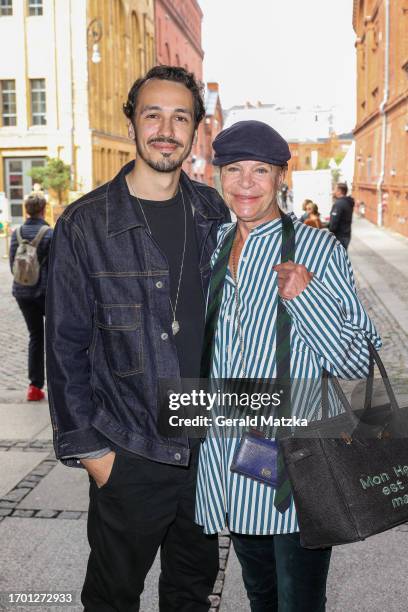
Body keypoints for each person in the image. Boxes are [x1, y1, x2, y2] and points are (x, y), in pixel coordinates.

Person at [46, 66, 230, 611]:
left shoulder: (213, 212)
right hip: (129, 448)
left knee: (191, 592)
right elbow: (65, 347)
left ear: (196, 129)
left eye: (180, 117)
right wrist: (95, 454)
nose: (166, 129)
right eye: (153, 114)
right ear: (132, 123)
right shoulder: (85, 225)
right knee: (112, 596)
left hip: (204, 448)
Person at [195, 120, 381, 612]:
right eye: (233, 169)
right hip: (231, 456)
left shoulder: (317, 248)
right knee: (258, 593)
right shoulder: (213, 247)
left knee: (298, 599)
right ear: (219, 175)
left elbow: (356, 358)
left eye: (260, 170)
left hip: (298, 462)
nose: (245, 183)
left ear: (282, 175)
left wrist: (308, 297)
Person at [9, 193, 53, 401]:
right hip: (46, 294)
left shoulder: (16, 233)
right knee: (57, 338)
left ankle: (34, 387)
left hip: (23, 293)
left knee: (35, 336)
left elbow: (12, 266)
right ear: (44, 210)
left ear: (26, 210)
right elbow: (58, 267)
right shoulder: (49, 233)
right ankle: (59, 384)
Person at [329, 182, 355, 250]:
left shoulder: (339, 204)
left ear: (339, 191)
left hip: (339, 236)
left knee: (337, 258)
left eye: (335, 189)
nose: (333, 191)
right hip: (346, 235)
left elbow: (334, 223)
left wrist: (330, 231)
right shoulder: (348, 202)